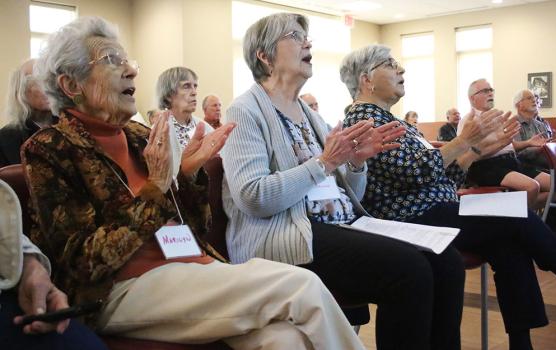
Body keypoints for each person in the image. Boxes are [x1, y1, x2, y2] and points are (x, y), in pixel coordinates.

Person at [22, 16, 366, 349]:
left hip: (190, 265)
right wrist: (158, 185)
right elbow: (83, 261)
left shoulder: (142, 136)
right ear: (71, 85)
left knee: (284, 340)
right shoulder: (50, 149)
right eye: (112, 61)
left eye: (128, 60)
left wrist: (188, 175)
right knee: (300, 286)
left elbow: (197, 225)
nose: (131, 70)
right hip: (120, 289)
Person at [222, 13, 466, 350]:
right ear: (263, 55)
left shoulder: (311, 117)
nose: (307, 43)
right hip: (287, 235)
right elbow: (253, 197)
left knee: (446, 261)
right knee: (409, 271)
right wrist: (324, 162)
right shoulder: (244, 111)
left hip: (342, 225)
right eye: (295, 36)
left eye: (306, 37)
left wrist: (356, 164)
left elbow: (350, 195)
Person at [340, 44, 556, 350]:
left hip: (438, 205)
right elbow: (414, 174)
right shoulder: (363, 119)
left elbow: (444, 175)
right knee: (517, 217)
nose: (401, 70)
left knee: (508, 241)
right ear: (367, 80)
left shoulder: (395, 120)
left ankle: (521, 343)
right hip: (411, 216)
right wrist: (462, 141)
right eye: (390, 65)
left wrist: (478, 150)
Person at [0, 179, 107, 350]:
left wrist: (29, 266)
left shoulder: (140, 153)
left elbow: (5, 234)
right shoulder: (46, 153)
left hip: (11, 295)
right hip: (109, 280)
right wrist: (154, 194)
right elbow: (81, 253)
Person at [458, 79, 551, 210]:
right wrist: (499, 144)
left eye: (491, 90)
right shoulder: (468, 121)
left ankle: (513, 212)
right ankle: (519, 222)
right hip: (486, 166)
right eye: (485, 91)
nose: (490, 93)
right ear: (473, 98)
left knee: (555, 186)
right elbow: (470, 157)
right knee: (532, 187)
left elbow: (509, 147)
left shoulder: (496, 117)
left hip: (512, 161)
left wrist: (528, 143)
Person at [0, 59, 58, 167]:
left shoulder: (71, 127)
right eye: (41, 81)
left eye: (53, 81)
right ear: (21, 91)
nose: (51, 88)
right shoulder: (5, 139)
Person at [156, 67, 214, 150]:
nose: (194, 92)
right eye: (186, 86)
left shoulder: (205, 127)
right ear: (168, 94)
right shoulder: (159, 132)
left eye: (195, 86)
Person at [512, 89, 555, 170]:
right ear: (519, 105)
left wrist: (554, 145)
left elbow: (548, 147)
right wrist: (540, 149)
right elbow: (518, 153)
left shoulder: (541, 125)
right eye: (529, 98)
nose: (534, 100)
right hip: (527, 168)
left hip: (548, 165)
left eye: (534, 98)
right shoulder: (514, 124)